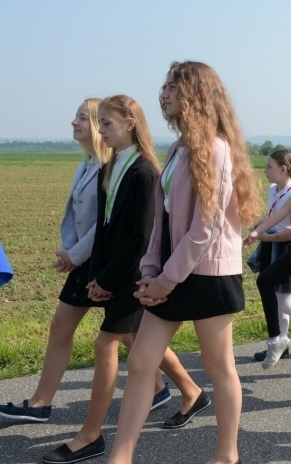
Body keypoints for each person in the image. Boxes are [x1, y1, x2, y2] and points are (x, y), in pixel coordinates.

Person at [106, 62, 260, 464]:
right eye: (165, 87)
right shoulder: (177, 150)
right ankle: (119, 457)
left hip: (208, 275)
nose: (164, 94)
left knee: (218, 365)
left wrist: (166, 281)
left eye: (173, 87)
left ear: (196, 94)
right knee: (140, 360)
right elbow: (163, 220)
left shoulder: (218, 148)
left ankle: (226, 454)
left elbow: (205, 229)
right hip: (171, 274)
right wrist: (150, 271)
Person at [40, 95, 201, 463]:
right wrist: (95, 276)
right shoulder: (111, 167)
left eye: (106, 123)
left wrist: (109, 280)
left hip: (132, 277)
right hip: (114, 275)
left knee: (105, 346)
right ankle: (192, 391)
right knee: (132, 338)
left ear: (130, 123)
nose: (101, 131)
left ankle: (91, 435)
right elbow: (105, 232)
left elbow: (138, 239)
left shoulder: (144, 172)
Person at [0, 100, 111, 424]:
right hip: (82, 262)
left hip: (99, 263)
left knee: (129, 334)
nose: (73, 122)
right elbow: (74, 217)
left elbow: (103, 223)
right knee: (66, 327)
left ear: (97, 125)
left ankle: (184, 389)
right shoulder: (86, 164)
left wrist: (74, 255)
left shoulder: (108, 168)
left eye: (81, 118)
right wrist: (67, 249)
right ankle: (40, 403)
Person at [245, 147, 291, 370]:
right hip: (271, 245)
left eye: (269, 167)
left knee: (284, 302)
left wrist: (268, 236)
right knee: (277, 301)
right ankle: (281, 346)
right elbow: (273, 215)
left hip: (285, 248)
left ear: (283, 169)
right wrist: (259, 224)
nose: (265, 170)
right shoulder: (272, 190)